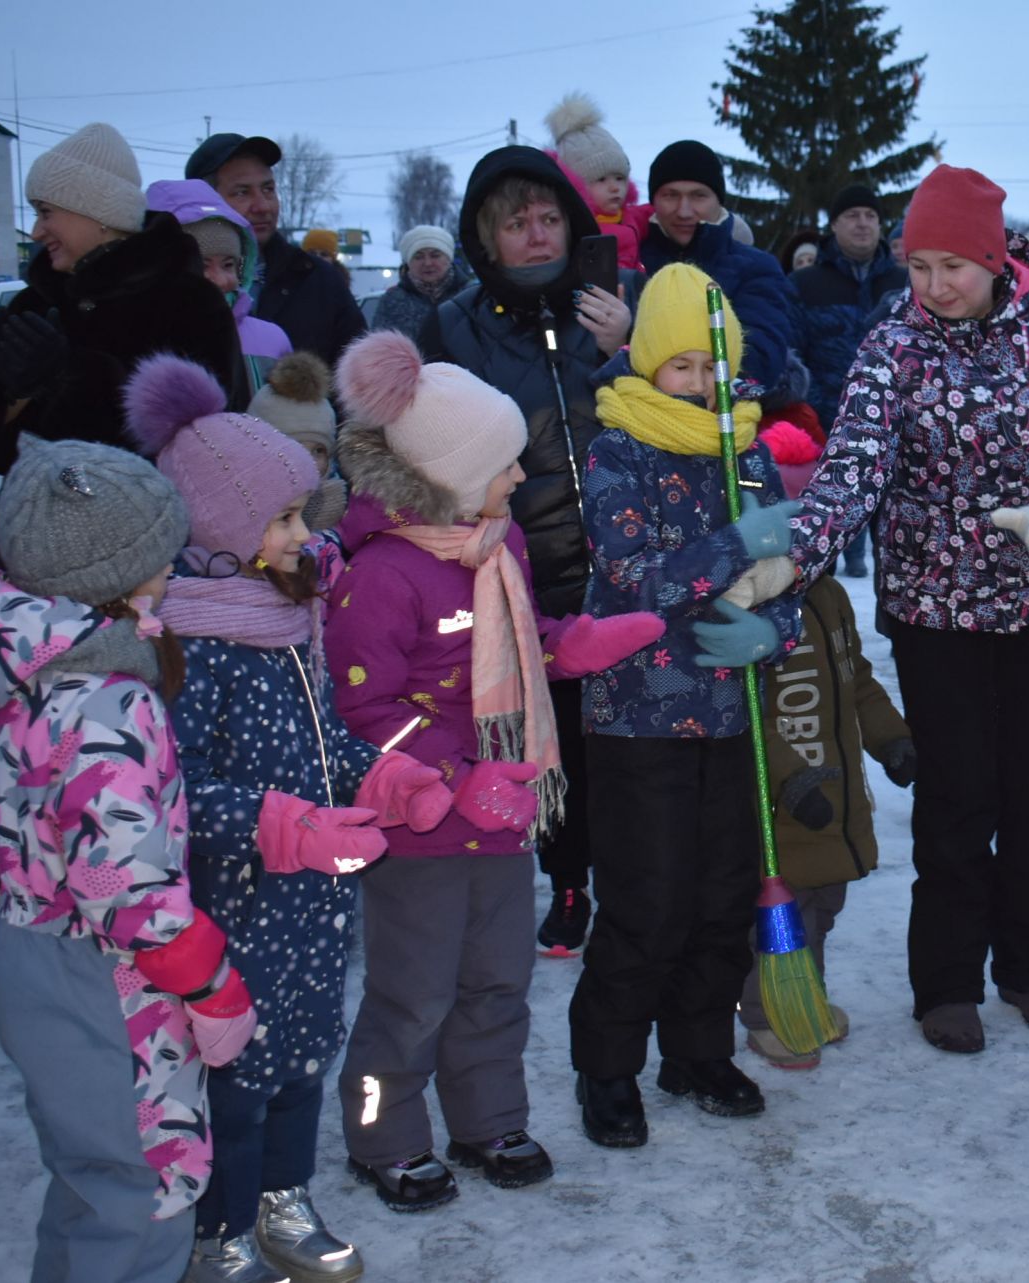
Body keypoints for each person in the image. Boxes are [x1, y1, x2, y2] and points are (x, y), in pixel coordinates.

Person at [779, 164, 1029, 1053]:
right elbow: (855, 462)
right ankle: (946, 982)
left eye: (953, 266)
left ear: (993, 255)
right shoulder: (893, 343)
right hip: (937, 609)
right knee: (956, 795)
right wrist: (793, 558)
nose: (935, 286)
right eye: (919, 266)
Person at [326, 331, 662, 1210]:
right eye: (504, 464)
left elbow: (513, 653)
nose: (518, 479)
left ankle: (488, 1118)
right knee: (412, 993)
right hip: (420, 830)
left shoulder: (493, 548)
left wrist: (571, 645)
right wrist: (452, 777)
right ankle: (384, 1134)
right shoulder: (381, 577)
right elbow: (364, 712)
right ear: (445, 472)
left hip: (503, 819)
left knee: (497, 983)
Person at [125, 354, 430, 1282]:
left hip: (308, 903)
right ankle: (217, 1230)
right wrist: (279, 822)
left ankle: (283, 1199)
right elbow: (170, 793)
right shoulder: (189, 643)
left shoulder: (286, 616)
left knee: (301, 1051)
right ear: (222, 522)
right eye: (287, 516)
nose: (308, 530)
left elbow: (326, 736)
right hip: (231, 905)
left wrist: (383, 778)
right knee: (234, 1079)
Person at [0, 436, 256, 1283]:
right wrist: (210, 981)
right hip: (107, 972)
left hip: (25, 945)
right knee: (145, 1184)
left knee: (90, 1173)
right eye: (159, 560)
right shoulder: (109, 700)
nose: (171, 573)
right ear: (119, 575)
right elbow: (124, 885)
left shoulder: (20, 662)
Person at [567, 264, 803, 1143]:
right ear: (647, 364)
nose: (702, 384)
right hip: (640, 717)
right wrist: (734, 544)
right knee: (647, 895)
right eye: (683, 368)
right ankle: (608, 1064)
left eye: (715, 367)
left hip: (729, 712)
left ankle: (698, 1047)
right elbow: (633, 579)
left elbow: (785, 575)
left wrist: (772, 628)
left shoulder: (750, 451)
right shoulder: (617, 448)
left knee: (720, 892)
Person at [421, 145, 633, 957]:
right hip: (521, 576)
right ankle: (570, 882)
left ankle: (635, 879)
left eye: (550, 218)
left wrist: (633, 339)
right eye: (517, 223)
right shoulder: (453, 324)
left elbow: (680, 398)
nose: (537, 235)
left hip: (627, 567)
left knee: (632, 746)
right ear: (486, 236)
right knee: (556, 744)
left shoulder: (611, 305)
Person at [738, 421, 916, 1069]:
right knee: (784, 915)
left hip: (837, 800)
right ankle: (768, 1013)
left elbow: (856, 677)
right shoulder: (749, 612)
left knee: (825, 906)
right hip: (784, 807)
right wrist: (791, 780)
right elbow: (746, 711)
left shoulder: (829, 597)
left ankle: (803, 997)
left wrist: (892, 740)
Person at [0, 122, 243, 473]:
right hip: (28, 524)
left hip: (144, 526)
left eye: (45, 211)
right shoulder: (37, 303)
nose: (38, 232)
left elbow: (202, 456)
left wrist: (66, 377)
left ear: (96, 212)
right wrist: (7, 388)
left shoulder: (189, 305)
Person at [792, 182, 910, 579]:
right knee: (812, 550)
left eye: (871, 216)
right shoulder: (806, 284)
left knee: (900, 555)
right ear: (834, 224)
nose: (863, 224)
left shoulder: (906, 283)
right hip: (825, 431)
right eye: (852, 216)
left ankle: (900, 636)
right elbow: (793, 354)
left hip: (898, 435)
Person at [636, 140, 799, 397]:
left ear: (718, 201)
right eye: (671, 195)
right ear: (654, 200)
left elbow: (760, 358)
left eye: (699, 195)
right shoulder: (631, 260)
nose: (684, 210)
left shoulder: (756, 267)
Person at [188, 133, 366, 364]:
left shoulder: (319, 281)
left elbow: (361, 380)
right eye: (242, 192)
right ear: (204, 201)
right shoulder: (168, 284)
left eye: (268, 189)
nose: (263, 206)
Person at [146, 178, 292, 395]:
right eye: (202, 265)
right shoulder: (138, 340)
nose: (222, 280)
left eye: (228, 264)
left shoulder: (270, 340)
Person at [247, 352, 349, 536]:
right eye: (294, 449)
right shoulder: (249, 516)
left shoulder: (347, 517)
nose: (307, 461)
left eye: (318, 450)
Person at [544, 92, 648, 270]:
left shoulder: (629, 216)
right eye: (601, 180)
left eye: (620, 178)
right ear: (577, 187)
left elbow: (656, 211)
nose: (615, 188)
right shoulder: (575, 226)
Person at [370, 224, 468, 342]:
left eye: (435, 255)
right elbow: (378, 348)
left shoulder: (470, 297)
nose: (427, 263)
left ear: (449, 259)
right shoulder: (392, 302)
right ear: (408, 263)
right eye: (418, 257)